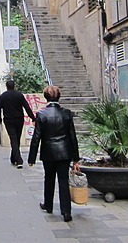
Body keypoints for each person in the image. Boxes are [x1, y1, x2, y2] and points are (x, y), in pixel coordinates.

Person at [28, 85, 80, 223]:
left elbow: (36, 137)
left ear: (46, 97)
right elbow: (72, 136)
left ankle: (48, 204)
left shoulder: (41, 114)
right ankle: (66, 211)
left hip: (48, 152)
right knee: (63, 180)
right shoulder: (67, 113)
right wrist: (76, 158)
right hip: (64, 152)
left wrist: (31, 157)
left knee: (49, 178)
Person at [0, 79, 36, 168]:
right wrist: (32, 117)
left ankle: (17, 159)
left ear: (6, 86)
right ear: (14, 86)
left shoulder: (3, 96)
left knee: (13, 139)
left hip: (9, 120)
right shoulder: (19, 95)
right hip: (19, 119)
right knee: (17, 138)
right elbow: (27, 107)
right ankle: (16, 158)